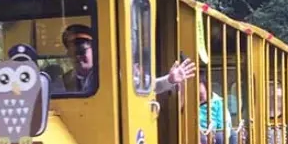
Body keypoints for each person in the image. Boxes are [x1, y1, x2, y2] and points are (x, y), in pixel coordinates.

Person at [59, 24, 195, 94]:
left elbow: (148, 86)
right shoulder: (65, 80)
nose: (78, 57)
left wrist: (170, 80)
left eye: (82, 51)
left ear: (95, 50)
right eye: (72, 53)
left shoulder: (111, 75)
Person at [200, 77, 237, 144]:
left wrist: (213, 128)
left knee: (223, 136)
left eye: (201, 95)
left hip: (214, 130)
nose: (199, 98)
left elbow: (222, 121)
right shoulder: (190, 104)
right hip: (199, 131)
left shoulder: (218, 102)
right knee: (202, 138)